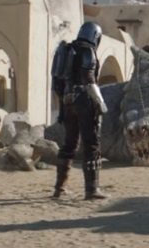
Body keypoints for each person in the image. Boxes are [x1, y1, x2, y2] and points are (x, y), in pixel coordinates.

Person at [52, 22, 110, 200]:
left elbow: (57, 83)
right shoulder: (87, 51)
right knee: (91, 144)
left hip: (68, 99)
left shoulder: (66, 50)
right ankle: (92, 190)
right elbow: (88, 79)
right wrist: (101, 103)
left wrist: (63, 104)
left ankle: (60, 188)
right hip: (84, 100)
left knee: (69, 144)